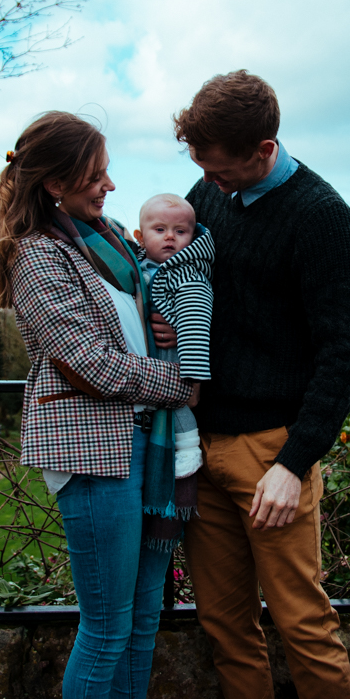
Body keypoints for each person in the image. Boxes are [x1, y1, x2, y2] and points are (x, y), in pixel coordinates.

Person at [0, 111, 195, 699]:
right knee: (105, 630)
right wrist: (185, 385)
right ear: (55, 184)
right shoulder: (36, 255)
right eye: (97, 174)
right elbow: (88, 362)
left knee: (143, 621)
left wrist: (175, 330)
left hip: (151, 445)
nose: (110, 185)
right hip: (93, 449)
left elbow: (147, 315)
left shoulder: (116, 237)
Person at [173, 70, 350, 699]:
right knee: (225, 626)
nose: (208, 179)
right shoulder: (208, 194)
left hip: (269, 456)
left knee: (303, 625)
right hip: (200, 448)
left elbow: (342, 357)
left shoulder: (324, 220)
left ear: (264, 149)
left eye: (220, 168)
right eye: (200, 165)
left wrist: (294, 461)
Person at [133, 193, 215, 488]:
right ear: (140, 237)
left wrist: (193, 379)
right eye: (160, 230)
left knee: (176, 401)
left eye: (180, 232)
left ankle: (189, 448)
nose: (170, 237)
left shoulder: (187, 275)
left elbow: (196, 325)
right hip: (148, 359)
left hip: (177, 358)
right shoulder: (140, 266)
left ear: (192, 236)